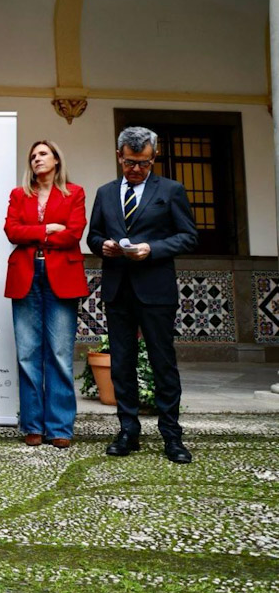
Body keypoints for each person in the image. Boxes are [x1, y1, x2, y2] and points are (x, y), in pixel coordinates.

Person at [87, 126, 197, 464]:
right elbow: (93, 235)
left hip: (156, 290)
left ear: (153, 159)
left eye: (144, 164)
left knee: (163, 364)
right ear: (120, 156)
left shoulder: (171, 190)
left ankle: (172, 436)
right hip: (118, 290)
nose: (137, 169)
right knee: (121, 364)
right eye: (131, 163)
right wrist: (102, 245)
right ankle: (128, 431)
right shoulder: (105, 193)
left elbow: (188, 236)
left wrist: (153, 248)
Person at [4, 141, 88, 449]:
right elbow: (12, 231)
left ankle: (60, 426)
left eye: (43, 154)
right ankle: (33, 425)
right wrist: (46, 230)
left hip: (62, 276)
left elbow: (74, 233)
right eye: (33, 156)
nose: (37, 159)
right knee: (27, 354)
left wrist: (38, 233)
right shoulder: (18, 194)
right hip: (26, 275)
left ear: (56, 159)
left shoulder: (74, 193)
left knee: (60, 355)